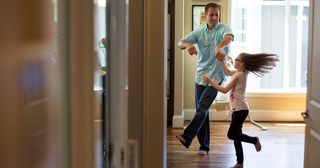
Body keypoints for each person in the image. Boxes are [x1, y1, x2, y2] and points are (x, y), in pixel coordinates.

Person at [176, 2, 234, 156]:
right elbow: (179, 43)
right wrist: (188, 45)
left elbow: (229, 37)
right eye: (211, 15)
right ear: (206, 15)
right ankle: (204, 146)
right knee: (202, 110)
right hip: (201, 76)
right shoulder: (199, 31)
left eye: (217, 14)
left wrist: (219, 46)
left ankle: (187, 136)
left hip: (216, 76)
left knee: (202, 106)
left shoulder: (224, 29)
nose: (214, 17)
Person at [203, 52, 279, 168]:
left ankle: (254, 140)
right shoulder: (240, 72)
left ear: (243, 64)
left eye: (237, 60)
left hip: (240, 109)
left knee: (231, 134)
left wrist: (210, 82)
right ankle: (240, 163)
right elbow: (227, 72)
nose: (235, 60)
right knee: (236, 136)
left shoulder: (240, 75)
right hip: (237, 109)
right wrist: (222, 61)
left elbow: (224, 90)